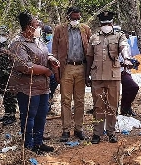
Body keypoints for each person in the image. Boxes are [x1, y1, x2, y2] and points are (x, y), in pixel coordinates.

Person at [8, 12, 59, 153]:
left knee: (41, 116)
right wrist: (45, 71)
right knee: (29, 117)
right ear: (28, 27)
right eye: (36, 25)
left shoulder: (37, 40)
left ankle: (38, 143)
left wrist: (51, 59)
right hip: (27, 87)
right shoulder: (18, 44)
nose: (39, 28)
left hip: (43, 86)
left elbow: (43, 53)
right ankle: (29, 146)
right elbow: (25, 66)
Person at [86, 11, 132, 144]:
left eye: (108, 23)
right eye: (103, 23)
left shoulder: (119, 35)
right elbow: (89, 57)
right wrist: (86, 75)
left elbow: (124, 47)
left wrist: (127, 58)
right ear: (100, 24)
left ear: (112, 23)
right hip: (97, 77)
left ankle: (111, 132)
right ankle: (97, 133)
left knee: (112, 105)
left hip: (113, 76)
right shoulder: (94, 37)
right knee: (98, 106)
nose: (106, 25)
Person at [52, 6, 91, 142]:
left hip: (81, 67)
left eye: (78, 17)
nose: (76, 20)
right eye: (74, 17)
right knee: (65, 100)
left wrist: (88, 72)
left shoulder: (85, 29)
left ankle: (79, 129)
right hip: (66, 68)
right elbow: (55, 51)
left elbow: (90, 51)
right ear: (68, 17)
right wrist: (56, 71)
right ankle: (66, 130)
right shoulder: (59, 29)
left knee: (80, 100)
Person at [0, 25, 17, 126]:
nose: (1, 36)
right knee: (4, 94)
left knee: (10, 95)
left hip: (9, 73)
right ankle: (7, 114)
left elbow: (15, 57)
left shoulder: (11, 45)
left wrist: (6, 53)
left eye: (3, 34)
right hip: (1, 74)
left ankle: (12, 115)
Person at [119, 32, 140, 116]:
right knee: (133, 87)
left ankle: (126, 108)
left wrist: (134, 62)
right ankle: (125, 108)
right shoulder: (122, 46)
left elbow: (129, 57)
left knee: (127, 89)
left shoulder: (127, 46)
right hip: (119, 71)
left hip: (125, 71)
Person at [42, 25, 58, 112]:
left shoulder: (54, 44)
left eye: (50, 33)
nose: (49, 35)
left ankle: (48, 106)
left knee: (50, 90)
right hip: (42, 71)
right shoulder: (39, 43)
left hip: (52, 72)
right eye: (47, 33)